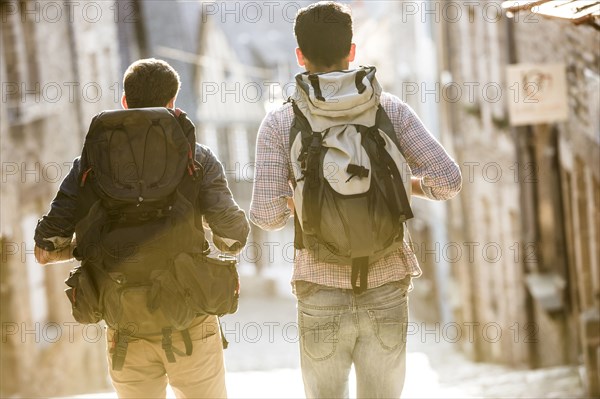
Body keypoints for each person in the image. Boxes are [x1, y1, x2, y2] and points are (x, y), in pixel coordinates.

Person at [250, 2, 462, 398]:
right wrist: (401, 184)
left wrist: (302, 200)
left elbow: (265, 214)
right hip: (385, 281)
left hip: (318, 285)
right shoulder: (390, 110)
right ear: (352, 50)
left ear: (300, 55)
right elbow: (448, 181)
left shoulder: (279, 122)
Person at [34, 58, 249, 398]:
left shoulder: (89, 165)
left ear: (124, 103)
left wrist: (87, 247)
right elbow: (234, 237)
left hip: (125, 333)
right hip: (191, 324)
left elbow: (45, 250)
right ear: (172, 105)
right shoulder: (198, 158)